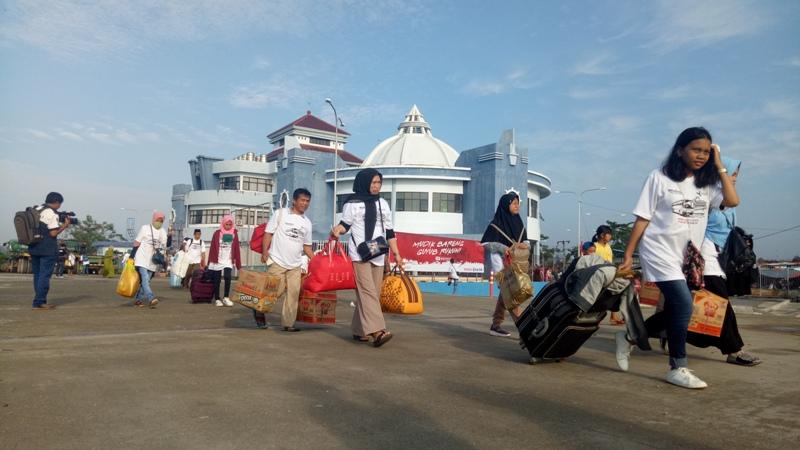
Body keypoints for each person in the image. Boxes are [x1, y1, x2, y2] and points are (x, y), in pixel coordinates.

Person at [620, 127, 739, 389]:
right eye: (696, 150)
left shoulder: (705, 183)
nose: (701, 156)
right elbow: (643, 217)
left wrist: (719, 165)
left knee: (678, 307)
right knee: (684, 304)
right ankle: (677, 366)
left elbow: (733, 199)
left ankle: (630, 335)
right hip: (659, 250)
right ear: (680, 150)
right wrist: (628, 254)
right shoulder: (659, 178)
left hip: (687, 257)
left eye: (707, 152)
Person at [644, 156, 761, 366]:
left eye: (735, 174)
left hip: (718, 259)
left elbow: (731, 211)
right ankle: (734, 350)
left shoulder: (725, 198)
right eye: (730, 172)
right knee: (721, 305)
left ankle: (641, 331)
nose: (733, 177)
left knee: (686, 307)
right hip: (702, 259)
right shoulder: (704, 192)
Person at [331, 168, 404, 347]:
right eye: (373, 182)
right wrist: (337, 230)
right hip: (359, 254)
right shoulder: (352, 203)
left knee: (371, 293)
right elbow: (345, 225)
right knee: (367, 292)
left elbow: (390, 232)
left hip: (378, 253)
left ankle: (359, 329)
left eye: (379, 182)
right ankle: (378, 331)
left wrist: (397, 254)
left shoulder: (383, 204)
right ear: (364, 182)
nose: (376, 186)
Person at [258, 188, 315, 331]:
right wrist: (264, 252)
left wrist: (317, 261)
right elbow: (268, 234)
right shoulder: (280, 214)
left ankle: (288, 324)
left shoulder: (307, 223)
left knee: (293, 294)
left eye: (307, 201)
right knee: (274, 292)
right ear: (294, 201)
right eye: (302, 200)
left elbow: (307, 247)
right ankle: (259, 310)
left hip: (295, 265)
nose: (305, 203)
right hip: (277, 261)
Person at [481, 192, 529, 338]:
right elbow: (485, 244)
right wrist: (503, 248)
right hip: (500, 265)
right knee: (511, 295)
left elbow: (526, 242)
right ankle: (525, 329)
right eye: (514, 203)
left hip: (516, 265)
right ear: (505, 205)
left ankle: (495, 326)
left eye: (518, 203)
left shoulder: (519, 223)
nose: (517, 206)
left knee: (505, 294)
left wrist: (524, 245)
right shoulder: (495, 225)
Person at [28, 192, 71, 310]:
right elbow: (53, 233)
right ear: (57, 202)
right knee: (44, 276)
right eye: (60, 204)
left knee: (37, 275)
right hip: (46, 248)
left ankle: (37, 301)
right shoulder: (51, 213)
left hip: (33, 246)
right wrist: (65, 225)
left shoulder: (36, 209)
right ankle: (40, 301)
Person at [132, 212, 169, 308]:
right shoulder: (145, 228)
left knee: (146, 281)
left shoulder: (162, 231)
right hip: (141, 258)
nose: (159, 222)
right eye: (158, 220)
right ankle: (151, 298)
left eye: (161, 221)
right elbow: (136, 243)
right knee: (144, 278)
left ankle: (138, 299)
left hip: (153, 260)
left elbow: (165, 245)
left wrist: (169, 237)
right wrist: (131, 257)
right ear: (153, 219)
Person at [207, 215, 242, 307]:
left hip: (228, 260)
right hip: (218, 259)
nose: (228, 226)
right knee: (217, 279)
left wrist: (238, 264)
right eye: (227, 224)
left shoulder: (234, 233)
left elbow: (237, 248)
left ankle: (226, 297)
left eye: (230, 224)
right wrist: (209, 262)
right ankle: (217, 298)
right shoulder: (217, 233)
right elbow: (212, 248)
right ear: (223, 223)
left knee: (227, 277)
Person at [592, 225, 624, 325]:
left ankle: (614, 316)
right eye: (609, 234)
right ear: (602, 235)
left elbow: (610, 261)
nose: (610, 236)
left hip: (609, 273)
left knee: (617, 290)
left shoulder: (608, 247)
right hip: (598, 275)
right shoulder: (594, 246)